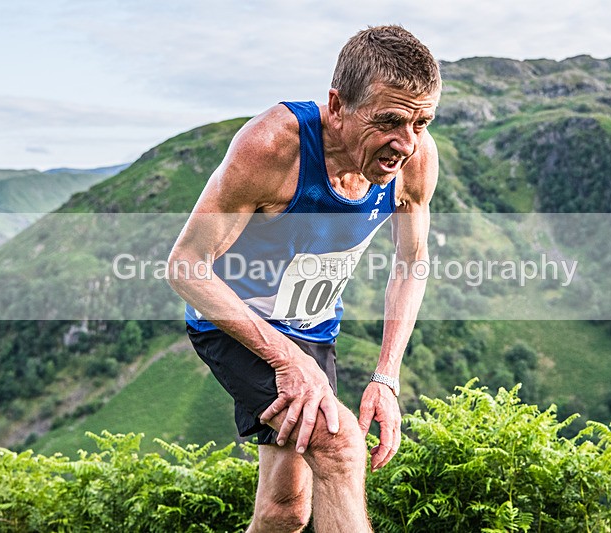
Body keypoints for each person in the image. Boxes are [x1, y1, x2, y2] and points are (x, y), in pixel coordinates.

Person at [168, 25, 440, 532]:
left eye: (422, 123)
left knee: (285, 510)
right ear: (337, 107)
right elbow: (186, 266)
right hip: (234, 321)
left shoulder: (415, 158)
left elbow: (411, 261)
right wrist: (285, 358)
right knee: (339, 448)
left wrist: (386, 375)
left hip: (314, 329)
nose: (406, 143)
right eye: (390, 121)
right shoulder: (273, 148)